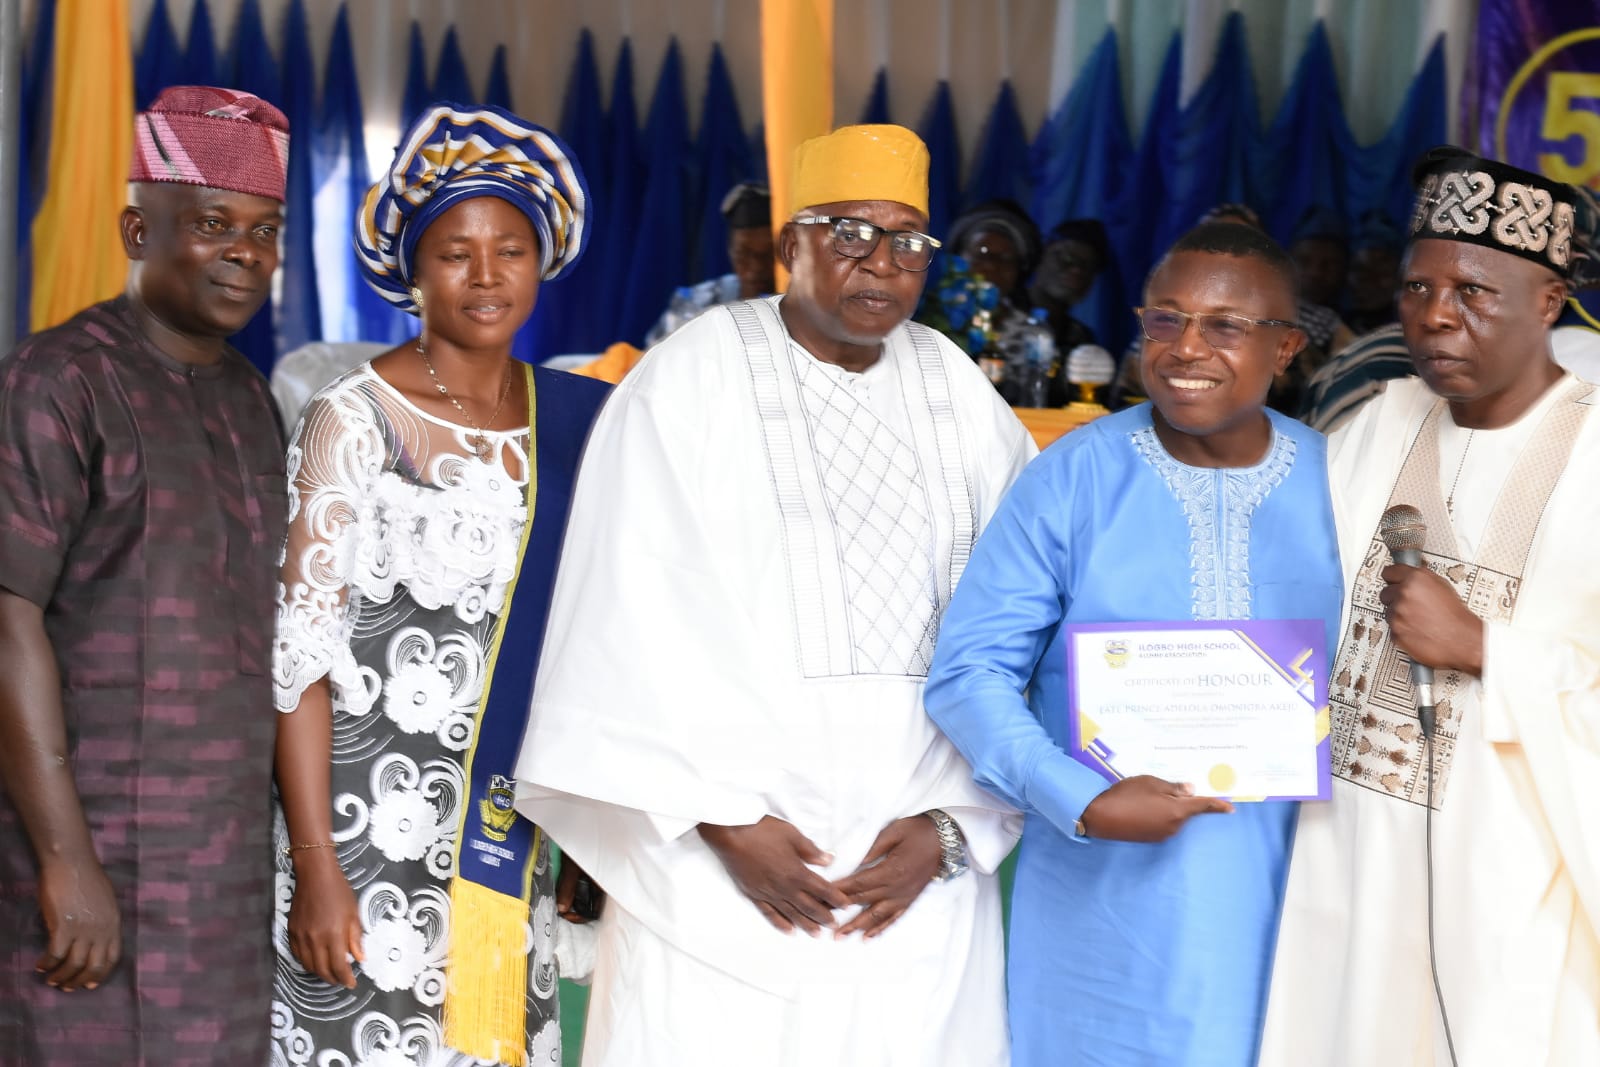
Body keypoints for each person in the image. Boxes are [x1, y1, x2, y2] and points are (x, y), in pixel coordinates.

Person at [514, 124, 1034, 1066]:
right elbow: (623, 607)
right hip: (720, 854)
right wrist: (720, 821)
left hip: (910, 869)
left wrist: (953, 827)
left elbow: (1023, 621)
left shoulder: (965, 395)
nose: (882, 261)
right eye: (850, 232)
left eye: (909, 239)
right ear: (792, 242)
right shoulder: (690, 377)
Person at [925, 221, 1343, 1067]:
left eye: (1226, 325)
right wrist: (1078, 797)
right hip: (1104, 901)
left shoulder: (1342, 480)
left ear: (1287, 346)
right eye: (1165, 319)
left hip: (1297, 894)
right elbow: (970, 671)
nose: (1187, 347)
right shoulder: (1074, 473)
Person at [271, 104, 605, 1067]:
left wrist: (588, 833)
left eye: (511, 250)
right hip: (363, 830)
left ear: (543, 262)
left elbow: (597, 640)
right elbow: (299, 662)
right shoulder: (352, 419)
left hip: (507, 833)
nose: (487, 275)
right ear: (412, 270)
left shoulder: (577, 423)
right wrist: (316, 865)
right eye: (456, 253)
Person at [1262, 148, 1600, 1065]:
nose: (1436, 314)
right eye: (1418, 286)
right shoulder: (1377, 421)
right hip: (1347, 856)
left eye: (1474, 291)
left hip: (1516, 879)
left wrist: (1489, 648)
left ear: (1550, 301)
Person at [0, 86, 290, 1065]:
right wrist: (65, 860)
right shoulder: (57, 381)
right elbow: (8, 618)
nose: (245, 253)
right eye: (213, 225)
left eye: (264, 231)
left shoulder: (253, 401)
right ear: (138, 229)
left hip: (223, 888)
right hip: (91, 873)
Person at [645, 181, 775, 344]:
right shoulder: (696, 303)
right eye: (744, 254)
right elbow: (656, 354)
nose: (756, 267)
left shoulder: (798, 304)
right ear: (730, 250)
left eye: (769, 254)